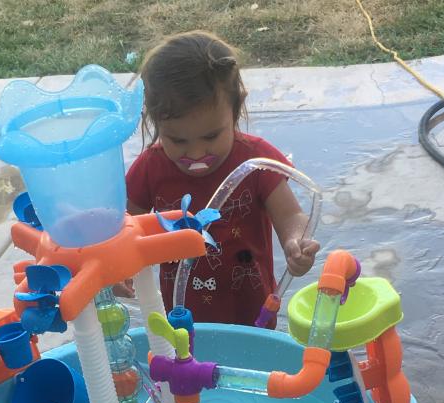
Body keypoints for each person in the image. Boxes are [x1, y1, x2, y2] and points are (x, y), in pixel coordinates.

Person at [124, 30, 320, 326]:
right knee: (189, 366)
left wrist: (297, 240)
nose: (197, 153)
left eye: (211, 136)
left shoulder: (255, 160)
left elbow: (290, 213)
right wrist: (121, 267)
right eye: (177, 140)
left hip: (252, 307)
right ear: (154, 122)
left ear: (235, 110)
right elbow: (126, 225)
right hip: (183, 313)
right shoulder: (152, 166)